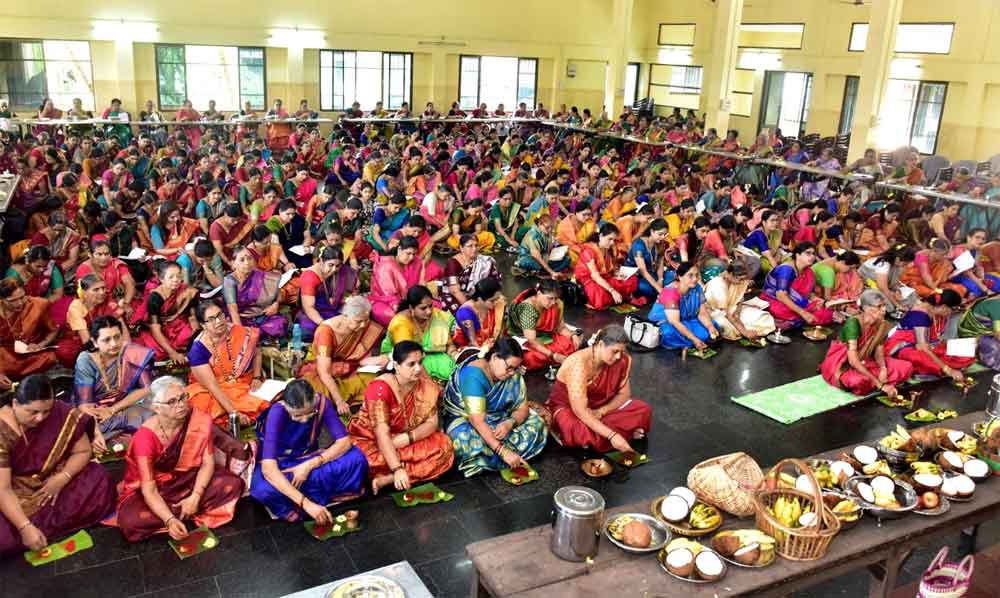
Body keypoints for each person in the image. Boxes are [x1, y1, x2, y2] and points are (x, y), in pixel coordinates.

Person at [109, 376, 244, 542]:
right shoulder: (144, 439)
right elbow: (149, 489)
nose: (180, 405)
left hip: (190, 478)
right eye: (171, 402)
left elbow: (207, 463)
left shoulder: (198, 420)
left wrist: (195, 497)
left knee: (233, 484)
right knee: (131, 521)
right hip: (159, 488)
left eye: (182, 398)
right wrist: (169, 520)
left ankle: (188, 508)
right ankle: (179, 514)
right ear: (156, 407)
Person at [0, 375, 116, 556]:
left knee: (100, 479)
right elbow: (3, 489)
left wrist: (62, 478)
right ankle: (33, 530)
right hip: (13, 493)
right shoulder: (2, 430)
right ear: (15, 403)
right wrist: (24, 527)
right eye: (32, 412)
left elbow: (83, 451)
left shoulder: (60, 412)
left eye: (46, 411)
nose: (40, 418)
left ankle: (40, 529)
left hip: (54, 478)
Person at [250, 379, 368, 522]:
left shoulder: (321, 402)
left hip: (309, 458)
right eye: (298, 416)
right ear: (286, 406)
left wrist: (308, 466)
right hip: (282, 465)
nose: (305, 420)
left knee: (357, 459)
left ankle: (305, 494)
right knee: (262, 489)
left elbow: (344, 441)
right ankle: (303, 502)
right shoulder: (277, 412)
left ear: (315, 399)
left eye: (310, 413)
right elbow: (269, 469)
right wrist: (306, 504)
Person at [347, 341, 455, 494]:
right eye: (411, 364)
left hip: (405, 439)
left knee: (444, 446)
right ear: (396, 366)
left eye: (420, 362)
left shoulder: (426, 386)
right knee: (361, 461)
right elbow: (381, 434)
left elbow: (432, 423)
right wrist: (397, 468)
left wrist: (406, 438)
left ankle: (389, 479)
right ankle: (399, 473)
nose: (418, 369)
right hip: (373, 441)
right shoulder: (380, 388)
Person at [442, 338, 548, 477]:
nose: (512, 373)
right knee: (462, 440)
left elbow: (522, 408)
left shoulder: (512, 374)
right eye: (509, 367)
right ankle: (504, 456)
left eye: (515, 368)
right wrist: (502, 451)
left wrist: (509, 423)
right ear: (494, 357)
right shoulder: (473, 375)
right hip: (468, 421)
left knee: (538, 423)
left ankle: (491, 459)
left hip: (500, 418)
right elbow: (477, 421)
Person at [545, 325, 652, 452]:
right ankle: (621, 433)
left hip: (600, 406)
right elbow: (580, 411)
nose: (619, 356)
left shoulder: (621, 360)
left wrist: (601, 411)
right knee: (574, 428)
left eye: (621, 352)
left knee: (643, 409)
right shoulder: (578, 364)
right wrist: (612, 435)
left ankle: (603, 436)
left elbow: (624, 394)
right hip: (571, 409)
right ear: (600, 344)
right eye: (615, 351)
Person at [73, 316, 155, 451]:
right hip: (97, 411)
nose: (114, 344)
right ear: (94, 342)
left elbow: (146, 389)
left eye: (117, 337)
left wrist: (112, 409)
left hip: (126, 405)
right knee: (82, 429)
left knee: (158, 410)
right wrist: (95, 432)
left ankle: (123, 435)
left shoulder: (132, 353)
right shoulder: (86, 360)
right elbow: (85, 404)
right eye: (106, 340)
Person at [299, 296, 387, 415]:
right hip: (320, 369)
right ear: (345, 316)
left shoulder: (362, 327)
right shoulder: (326, 332)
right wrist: (339, 401)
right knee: (317, 392)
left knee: (375, 381)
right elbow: (324, 372)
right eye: (358, 321)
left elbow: (360, 355)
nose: (363, 325)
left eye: (366, 320)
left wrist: (373, 360)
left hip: (349, 365)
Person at [187, 302, 269, 426]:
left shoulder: (238, 331)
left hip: (244, 382)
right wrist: (234, 413)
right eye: (211, 319)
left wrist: (257, 377)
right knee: (202, 406)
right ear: (203, 325)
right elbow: (212, 386)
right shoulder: (198, 350)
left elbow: (257, 352)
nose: (218, 321)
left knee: (266, 400)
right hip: (215, 389)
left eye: (219, 315)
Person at [820, 290, 913, 396]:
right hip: (843, 364)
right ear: (866, 308)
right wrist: (880, 385)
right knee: (859, 381)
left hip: (867, 360)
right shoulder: (853, 323)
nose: (884, 309)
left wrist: (883, 369)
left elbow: (879, 351)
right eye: (879, 306)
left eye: (884, 305)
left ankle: (873, 381)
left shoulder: (882, 324)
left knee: (907, 367)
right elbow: (853, 361)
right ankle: (875, 382)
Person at [886, 290, 974, 381]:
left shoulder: (932, 309)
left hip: (926, 346)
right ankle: (931, 370)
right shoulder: (920, 315)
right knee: (924, 359)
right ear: (944, 307)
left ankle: (934, 368)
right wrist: (948, 370)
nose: (951, 313)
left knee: (967, 350)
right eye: (953, 309)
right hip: (903, 349)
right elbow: (923, 348)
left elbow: (932, 342)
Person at [381, 286, 457, 382]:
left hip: (435, 356)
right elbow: (406, 355)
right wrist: (430, 384)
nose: (429, 311)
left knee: (456, 368)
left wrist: (455, 355)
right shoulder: (401, 323)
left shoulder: (437, 316)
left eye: (430, 306)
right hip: (408, 361)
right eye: (423, 308)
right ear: (411, 308)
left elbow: (449, 345)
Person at [506, 279, 580, 370]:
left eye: (555, 298)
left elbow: (560, 328)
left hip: (545, 336)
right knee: (529, 359)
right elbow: (532, 341)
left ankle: (555, 358)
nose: (553, 302)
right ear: (539, 293)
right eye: (550, 298)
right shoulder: (528, 308)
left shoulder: (557, 303)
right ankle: (555, 359)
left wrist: (573, 335)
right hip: (527, 339)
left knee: (573, 341)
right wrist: (553, 355)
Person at [133, 261, 198, 363]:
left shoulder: (186, 291)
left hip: (178, 323)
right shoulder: (155, 297)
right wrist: (172, 352)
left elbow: (192, 316)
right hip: (160, 327)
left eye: (179, 276)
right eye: (171, 277)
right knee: (157, 351)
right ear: (161, 279)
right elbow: (155, 329)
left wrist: (196, 333)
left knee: (191, 334)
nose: (176, 280)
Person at [760, 242, 834, 327]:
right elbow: (781, 296)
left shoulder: (809, 272)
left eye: (814, 254)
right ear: (797, 255)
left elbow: (810, 294)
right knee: (784, 312)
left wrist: (818, 300)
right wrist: (803, 312)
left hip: (798, 302)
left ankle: (793, 321)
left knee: (826, 313)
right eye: (808, 253)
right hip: (775, 300)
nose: (812, 256)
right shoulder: (786, 269)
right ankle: (792, 320)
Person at [648, 262, 720, 350]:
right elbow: (675, 322)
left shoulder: (697, 287)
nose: (695, 279)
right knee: (668, 333)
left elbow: (702, 313)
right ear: (680, 277)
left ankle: (691, 340)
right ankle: (693, 340)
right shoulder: (670, 292)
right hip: (667, 323)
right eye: (690, 275)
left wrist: (710, 326)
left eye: (697, 275)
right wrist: (694, 339)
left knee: (713, 325)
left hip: (684, 320)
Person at [223, 245, 287, 341]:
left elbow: (278, 292)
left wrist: (275, 304)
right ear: (233, 264)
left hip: (261, 315)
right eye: (242, 260)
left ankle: (256, 336)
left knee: (279, 324)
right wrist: (241, 333)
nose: (247, 263)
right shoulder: (229, 281)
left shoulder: (258, 274)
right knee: (238, 333)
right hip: (241, 318)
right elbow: (233, 310)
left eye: (249, 258)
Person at [293, 246, 357, 342]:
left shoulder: (341, 271)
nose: (334, 269)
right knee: (307, 332)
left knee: (355, 324)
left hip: (335, 309)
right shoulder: (309, 276)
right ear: (321, 261)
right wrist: (325, 325)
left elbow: (352, 288)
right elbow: (309, 308)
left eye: (338, 265)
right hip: (315, 313)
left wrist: (346, 300)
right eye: (331, 265)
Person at [704, 261, 776, 340]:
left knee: (765, 318)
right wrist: (744, 331)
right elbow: (726, 313)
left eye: (744, 279)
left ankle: (746, 329)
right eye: (740, 279)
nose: (742, 282)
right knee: (727, 327)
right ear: (730, 274)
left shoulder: (741, 281)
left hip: (733, 309)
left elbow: (739, 301)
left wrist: (737, 313)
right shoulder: (717, 284)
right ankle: (744, 331)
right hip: (716, 313)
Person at [575, 223, 638, 310]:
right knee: (599, 295)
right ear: (601, 236)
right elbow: (595, 276)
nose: (612, 243)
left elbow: (611, 269)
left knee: (632, 279)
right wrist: (612, 290)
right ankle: (615, 296)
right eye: (610, 239)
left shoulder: (608, 248)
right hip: (590, 279)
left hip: (605, 277)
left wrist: (619, 274)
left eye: (614, 240)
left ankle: (616, 297)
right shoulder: (588, 250)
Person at [440, 234, 502, 314]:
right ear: (461, 248)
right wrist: (472, 308)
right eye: (470, 246)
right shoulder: (453, 263)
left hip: (478, 295)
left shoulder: (484, 261)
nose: (474, 249)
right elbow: (455, 291)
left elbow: (494, 282)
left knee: (497, 305)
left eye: (476, 245)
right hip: (457, 296)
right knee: (463, 312)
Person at [369, 236, 422, 326]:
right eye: (408, 253)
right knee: (397, 317)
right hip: (383, 301)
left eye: (414, 254)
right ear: (399, 249)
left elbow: (416, 284)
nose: (411, 257)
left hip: (404, 299)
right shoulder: (386, 266)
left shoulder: (413, 262)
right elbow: (389, 296)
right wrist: (404, 308)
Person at [899, 238, 967, 299]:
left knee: (960, 289)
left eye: (946, 254)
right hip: (916, 283)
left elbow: (941, 278)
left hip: (933, 284)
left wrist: (950, 274)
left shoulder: (942, 260)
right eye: (943, 254)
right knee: (933, 293)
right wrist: (938, 291)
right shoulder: (922, 257)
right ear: (934, 251)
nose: (945, 257)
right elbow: (926, 277)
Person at [859, 244, 918, 314]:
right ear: (898, 259)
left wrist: (898, 291)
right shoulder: (883, 264)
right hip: (870, 288)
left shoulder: (896, 264)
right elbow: (882, 288)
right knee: (888, 305)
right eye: (905, 263)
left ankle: (903, 308)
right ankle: (896, 309)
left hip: (886, 288)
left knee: (911, 294)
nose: (906, 265)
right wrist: (897, 305)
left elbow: (894, 282)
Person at [626, 217, 671, 301]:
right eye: (660, 234)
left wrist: (660, 279)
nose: (662, 237)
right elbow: (643, 271)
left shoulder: (660, 243)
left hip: (652, 273)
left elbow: (660, 263)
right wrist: (659, 289)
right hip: (638, 276)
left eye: (665, 235)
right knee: (646, 288)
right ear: (652, 231)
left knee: (672, 276)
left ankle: (661, 291)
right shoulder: (638, 245)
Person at [453, 278, 506, 349]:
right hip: (471, 348)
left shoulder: (499, 303)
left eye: (498, 298)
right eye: (492, 300)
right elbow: (473, 343)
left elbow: (502, 331)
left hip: (491, 345)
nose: (497, 302)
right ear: (479, 299)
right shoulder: (465, 314)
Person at [951, 228, 1000, 299]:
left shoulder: (976, 249)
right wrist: (986, 290)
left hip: (973, 274)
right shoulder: (960, 250)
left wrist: (982, 278)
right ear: (969, 238)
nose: (981, 241)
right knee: (978, 289)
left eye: (983, 239)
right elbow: (968, 273)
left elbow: (978, 267)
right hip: (959, 276)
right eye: (977, 237)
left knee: (996, 282)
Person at [959, 296, 1000, 370]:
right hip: (974, 335)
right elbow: (998, 335)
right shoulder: (996, 305)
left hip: (987, 331)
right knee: (996, 347)